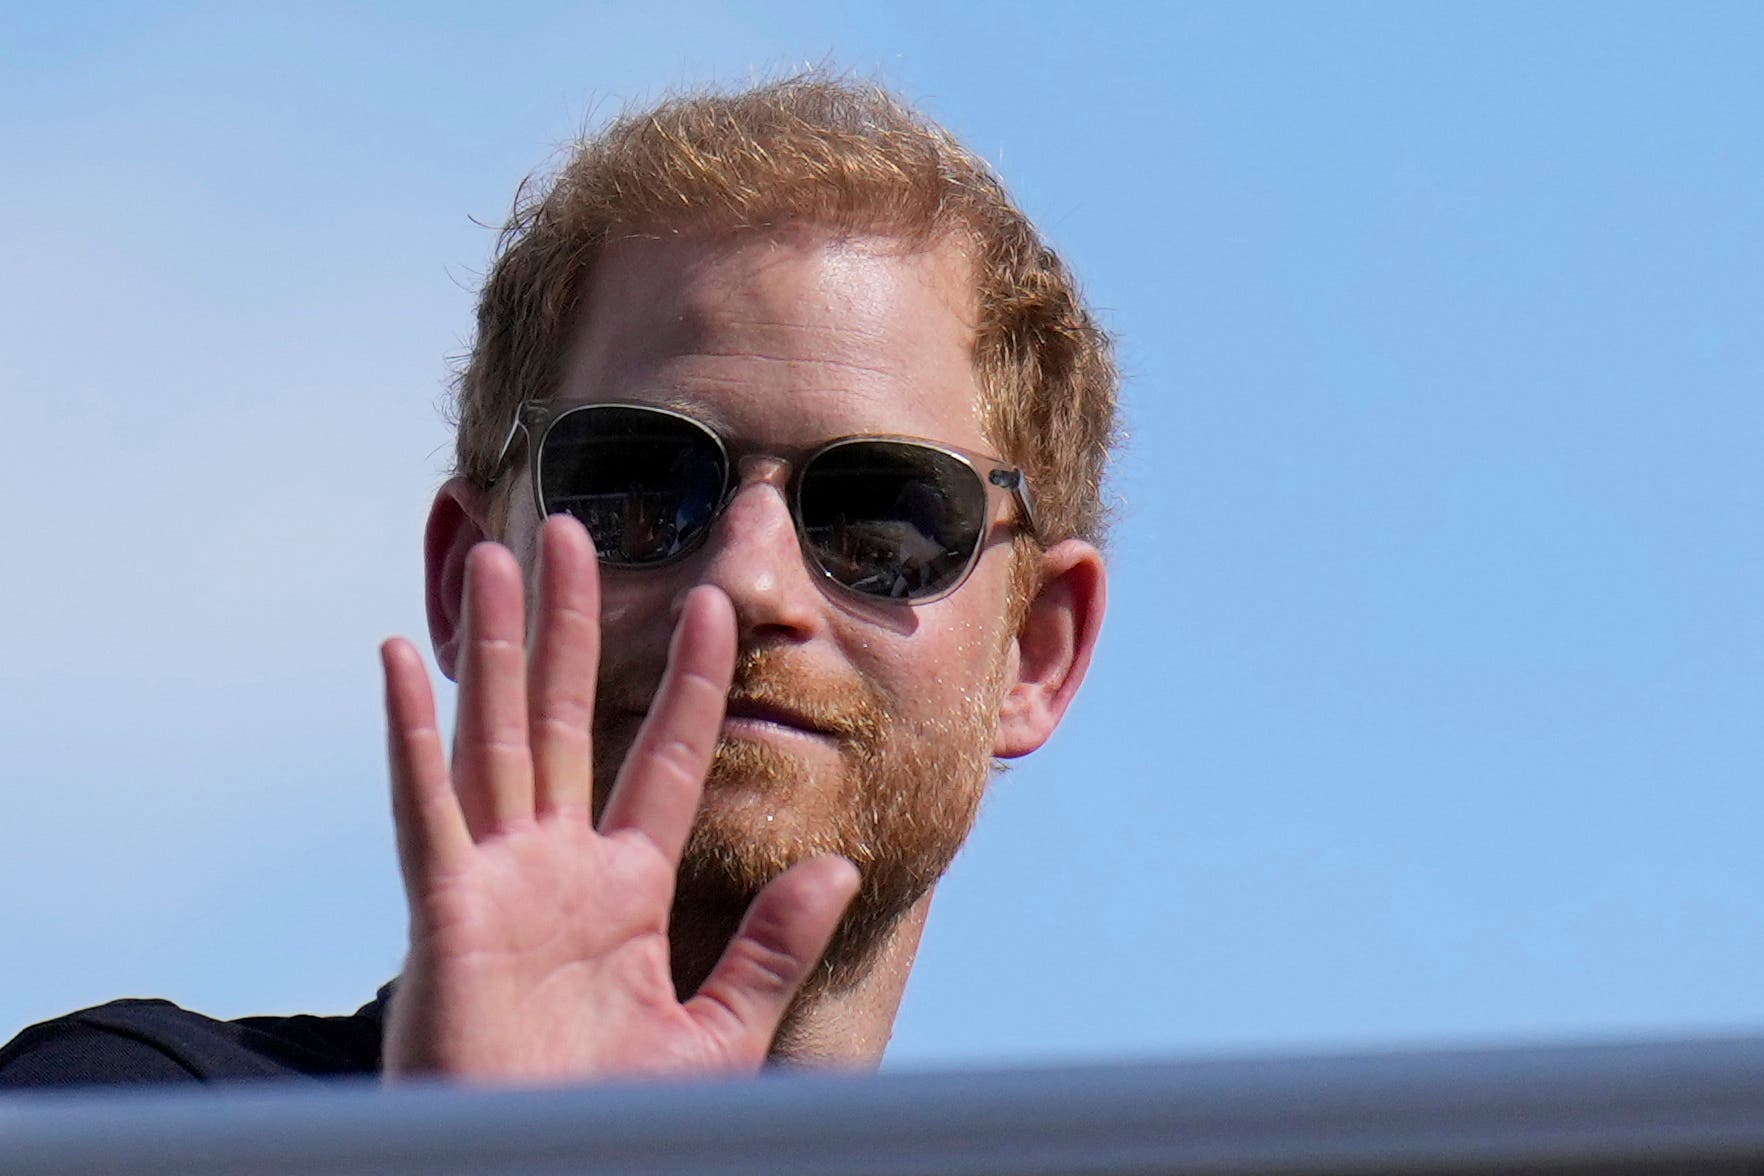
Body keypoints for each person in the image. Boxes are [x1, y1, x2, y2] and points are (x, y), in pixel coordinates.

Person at [0, 73, 1116, 1087]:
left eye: (881, 517)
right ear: (466, 576)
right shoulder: (124, 1117)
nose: (749, 579)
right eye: (637, 485)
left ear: (1038, 652)